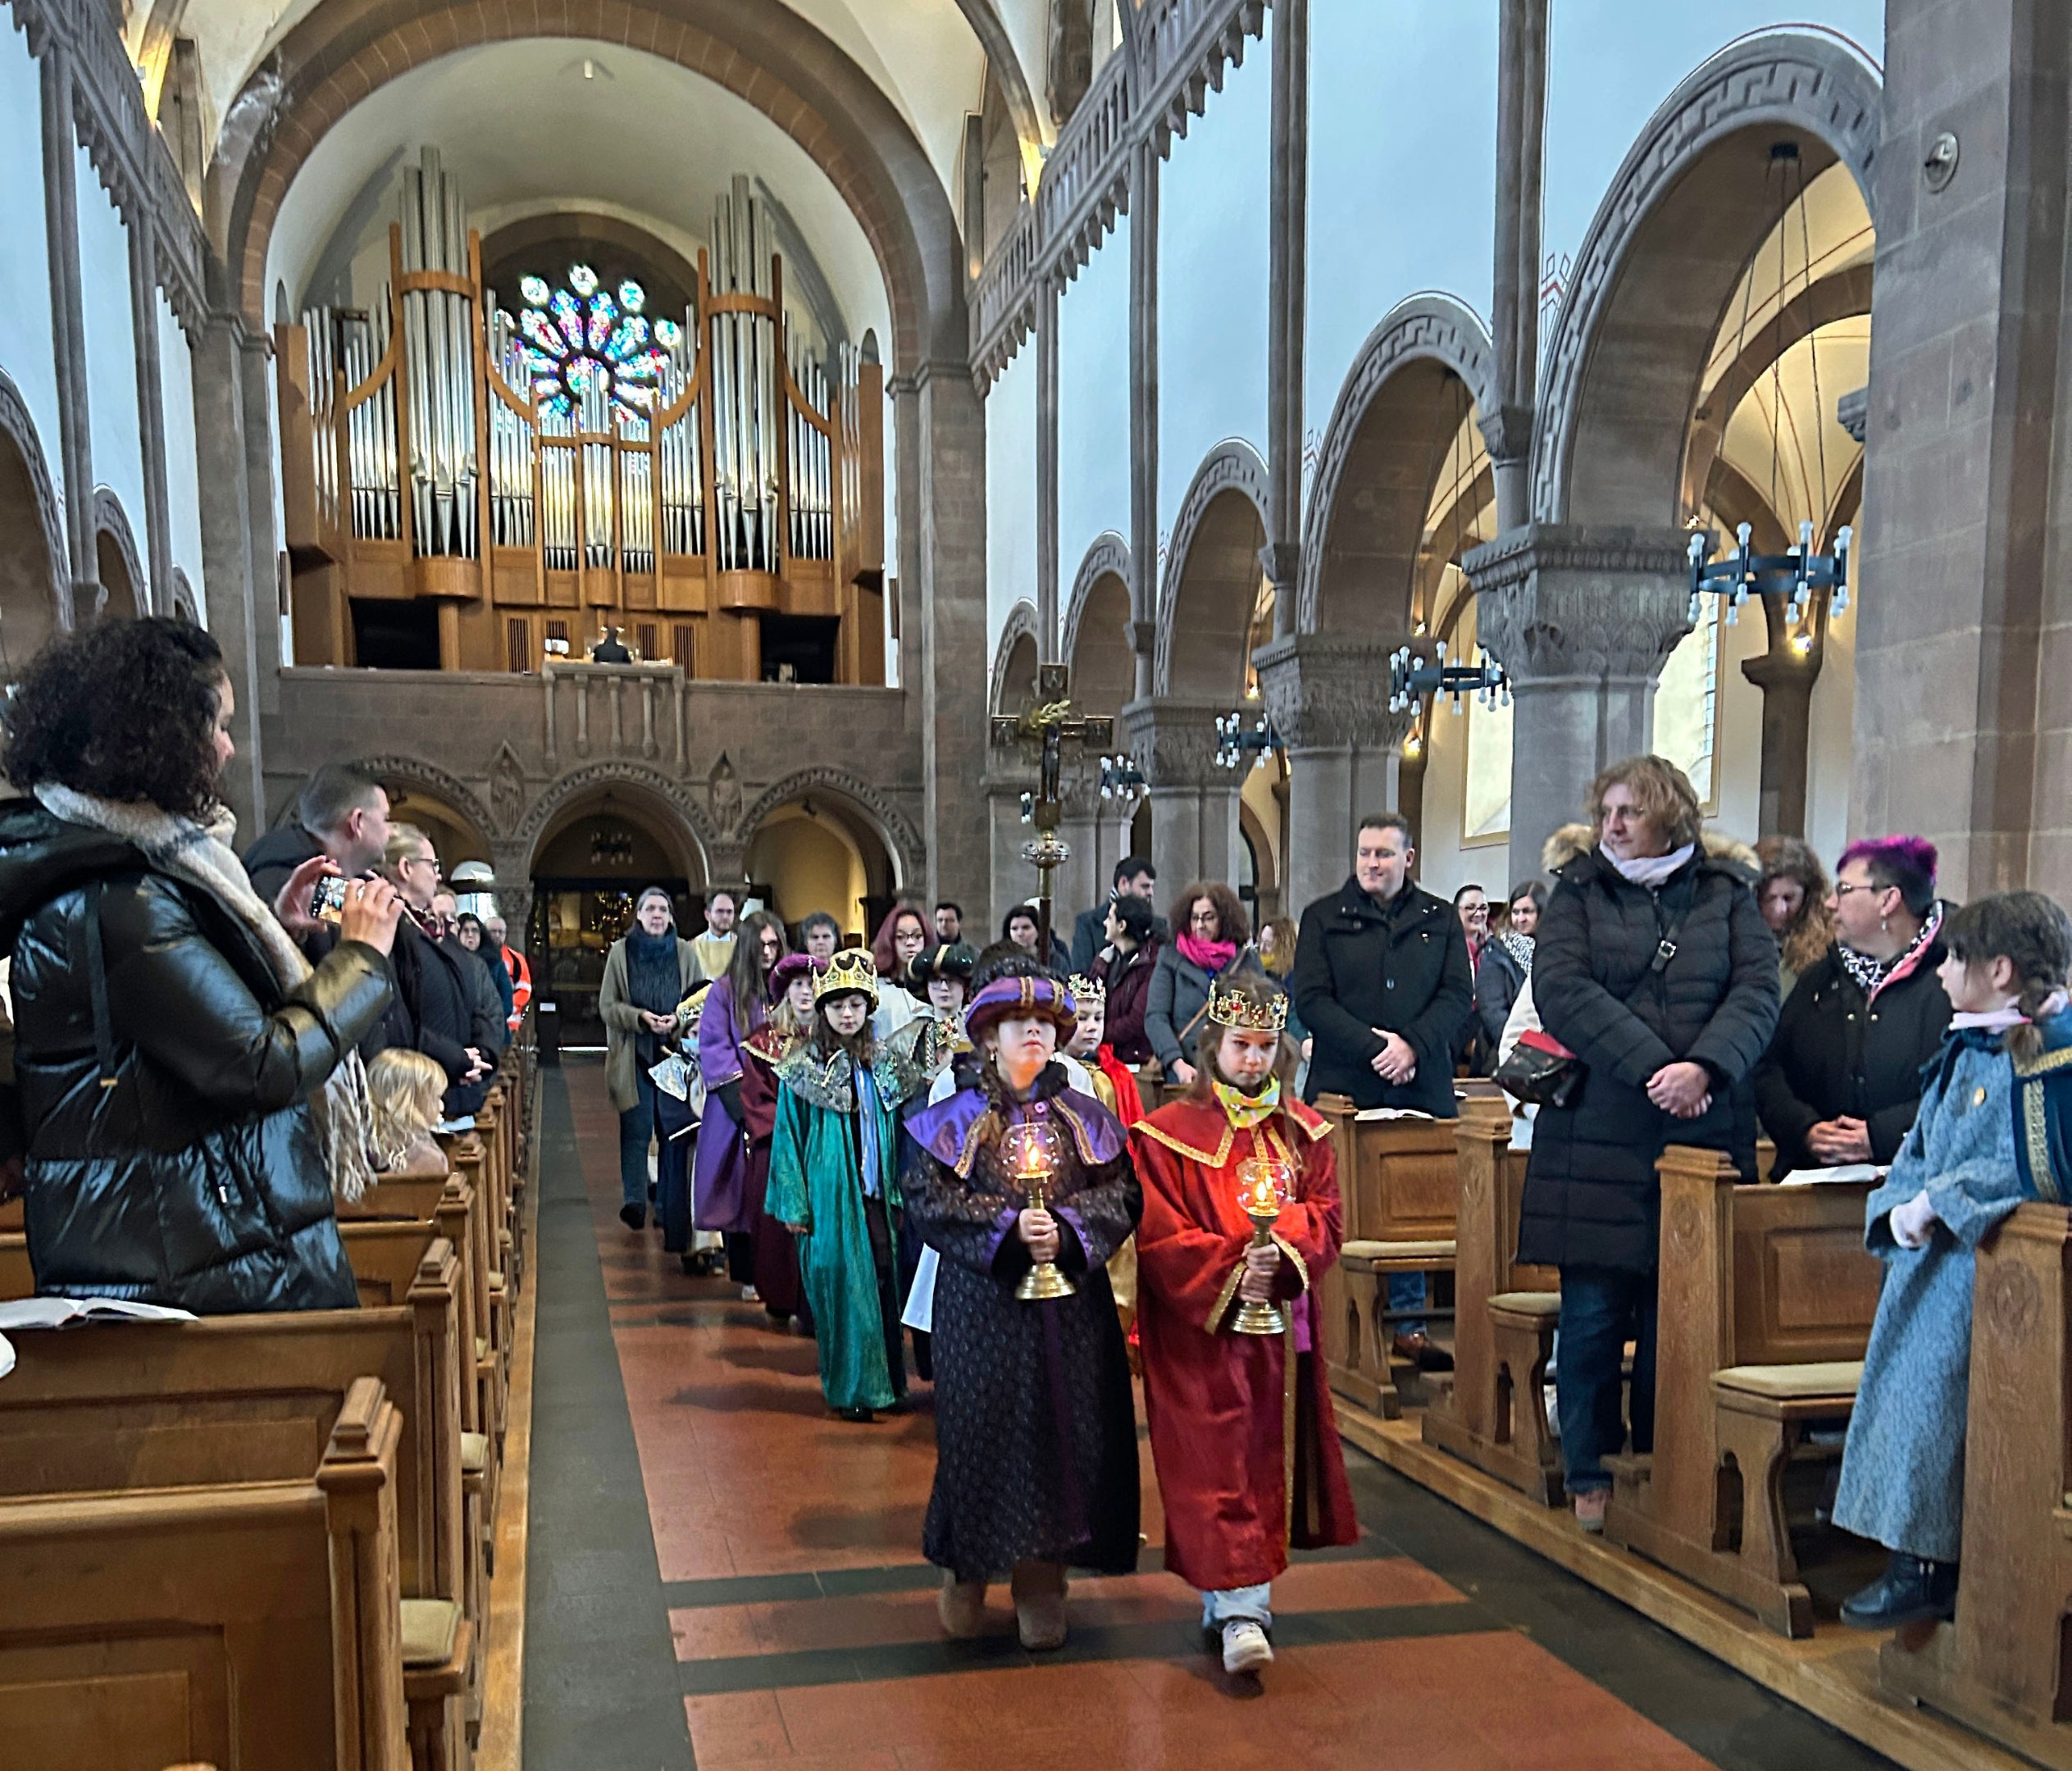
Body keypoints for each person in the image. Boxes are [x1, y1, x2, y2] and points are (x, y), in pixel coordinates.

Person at [0, 617, 401, 1312]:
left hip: (205, 1237)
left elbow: (186, 1030)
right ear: (157, 734)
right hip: (195, 1254)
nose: (228, 747)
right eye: (217, 724)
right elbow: (259, 1064)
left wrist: (270, 932)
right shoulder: (122, 899)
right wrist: (362, 958)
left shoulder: (140, 874)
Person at [1519, 758, 1778, 1533]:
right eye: (1606, 811)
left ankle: (1671, 1463)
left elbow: (1756, 994)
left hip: (1700, 1128)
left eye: (1629, 810)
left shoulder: (1726, 898)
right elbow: (1562, 991)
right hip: (1597, 1131)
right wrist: (1655, 1068)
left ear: (1669, 813)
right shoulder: (1575, 894)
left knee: (1681, 1312)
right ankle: (1590, 1466)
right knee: (1594, 1313)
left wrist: (1704, 1066)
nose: (1614, 825)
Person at [1833, 891, 2072, 1629]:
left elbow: (2036, 1166)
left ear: (1999, 970)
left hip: (1992, 1271)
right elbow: (1920, 1144)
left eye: (1955, 959)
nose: (1939, 974)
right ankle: (1910, 1552)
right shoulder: (1968, 1043)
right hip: (1928, 1268)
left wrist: (1941, 1200)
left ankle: (1927, 1566)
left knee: (1940, 1407)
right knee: (1910, 1401)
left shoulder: (2045, 1057)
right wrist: (1900, 1203)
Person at [904, 965, 1142, 1650]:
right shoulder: (955, 1117)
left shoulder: (1084, 1113)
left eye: (1043, 1024)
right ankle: (966, 1572)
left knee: (1061, 1438)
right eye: (1018, 1024)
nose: (1032, 1033)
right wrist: (1004, 1231)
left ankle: (1044, 1582)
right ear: (988, 1035)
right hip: (982, 1308)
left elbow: (1124, 1194)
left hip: (1068, 1307)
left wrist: (1066, 1226)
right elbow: (926, 1199)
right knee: (980, 1437)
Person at [1132, 974, 1359, 1677]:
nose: (1253, 1061)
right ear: (1210, 1049)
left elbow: (1325, 1213)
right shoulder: (1168, 1135)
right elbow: (1158, 1230)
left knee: (1263, 1450)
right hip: (1201, 1330)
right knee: (1215, 1459)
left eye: (1265, 1048)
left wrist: (1282, 1255)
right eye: (1240, 1046)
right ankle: (1236, 1606)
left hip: (1279, 1329)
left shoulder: (1303, 1133)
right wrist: (1233, 1266)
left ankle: (1239, 1600)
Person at [1291, 814, 1471, 1368]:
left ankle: (1408, 1326)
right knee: (1341, 1198)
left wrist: (1411, 1046)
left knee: (1408, 1202)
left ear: (1407, 859)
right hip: (1346, 1084)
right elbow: (1312, 1000)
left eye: (1384, 854)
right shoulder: (1323, 917)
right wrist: (1374, 1047)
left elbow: (1456, 996)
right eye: (1365, 853)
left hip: (1418, 1082)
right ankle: (1336, 1318)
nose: (1372, 863)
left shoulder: (1438, 918)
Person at [766, 950, 931, 1420]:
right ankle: (851, 1390)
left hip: (878, 1195)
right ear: (822, 1010)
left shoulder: (882, 1063)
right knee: (843, 1290)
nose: (847, 1014)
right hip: (830, 1198)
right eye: (837, 1005)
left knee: (882, 1285)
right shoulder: (803, 1068)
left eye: (856, 1005)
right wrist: (794, 1205)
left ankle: (885, 1384)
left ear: (868, 1008)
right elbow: (787, 1139)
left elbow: (901, 1127)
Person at [1756, 837, 1951, 1180]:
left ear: (1889, 900)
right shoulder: (1821, 977)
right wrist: (1806, 1129)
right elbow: (1769, 1068)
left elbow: (1971, 1090)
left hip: (1916, 1190)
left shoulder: (1955, 978)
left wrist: (1882, 1135)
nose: (1830, 903)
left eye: (1844, 890)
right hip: (1814, 1189)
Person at [694, 909, 788, 1286]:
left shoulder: (789, 989)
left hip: (782, 1103)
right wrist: (749, 1109)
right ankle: (746, 1273)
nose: (767, 952)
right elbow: (715, 1048)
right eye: (761, 944)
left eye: (773, 944)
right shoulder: (725, 990)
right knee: (737, 1192)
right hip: (737, 1108)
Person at [599, 886, 702, 1230]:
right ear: (638, 915)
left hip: (674, 1054)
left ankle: (666, 1203)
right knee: (637, 1127)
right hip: (635, 1054)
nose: (657, 915)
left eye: (663, 909)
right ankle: (634, 1201)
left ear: (671, 917)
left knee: (671, 1129)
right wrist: (639, 1017)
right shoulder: (620, 952)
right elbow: (608, 1006)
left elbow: (700, 1000)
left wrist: (678, 1018)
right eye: (650, 909)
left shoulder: (685, 953)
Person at [382, 826, 494, 1120]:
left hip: (456, 1085)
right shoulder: (390, 929)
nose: (438, 875)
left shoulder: (435, 935)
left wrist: (480, 1055)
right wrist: (457, 1059)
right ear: (406, 868)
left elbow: (474, 1003)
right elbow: (400, 1021)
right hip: (417, 1093)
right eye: (432, 866)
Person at [739, 954, 820, 1327]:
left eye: (812, 984)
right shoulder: (764, 1040)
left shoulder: (829, 1036)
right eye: (799, 984)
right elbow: (756, 1098)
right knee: (775, 1228)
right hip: (777, 1148)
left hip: (821, 1147)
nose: (806, 991)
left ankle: (814, 1302)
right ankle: (780, 1296)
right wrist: (790, 1132)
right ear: (786, 992)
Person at [1065, 974, 1145, 1347]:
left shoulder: (1117, 1075)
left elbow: (1129, 1127)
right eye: (1082, 1018)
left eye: (1098, 1017)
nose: (1091, 1027)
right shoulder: (1060, 1075)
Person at [1146, 881, 1273, 1088]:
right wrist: (1176, 1062)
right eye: (1194, 918)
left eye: (1208, 918)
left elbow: (1260, 1016)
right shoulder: (1170, 957)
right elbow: (1156, 1016)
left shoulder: (1246, 960)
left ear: (1224, 919)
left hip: (1235, 1074)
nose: (1200, 925)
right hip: (1185, 1071)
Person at [244, 761, 393, 915]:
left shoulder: (283, 853)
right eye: (385, 819)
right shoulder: (307, 889)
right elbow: (379, 924)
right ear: (357, 822)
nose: (390, 831)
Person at [1756, 835, 1835, 1000]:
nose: (1779, 910)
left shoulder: (1827, 943)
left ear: (1807, 896)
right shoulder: (1733, 934)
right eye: (1769, 898)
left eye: (1789, 898)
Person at [1474, 882, 1545, 1061]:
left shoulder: (1551, 951)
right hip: (1505, 1052)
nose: (1521, 919)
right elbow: (1492, 1009)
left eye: (1528, 911)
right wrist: (1519, 1050)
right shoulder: (1496, 952)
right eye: (1515, 912)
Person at [435, 890, 507, 1059]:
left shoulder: (480, 965)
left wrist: (482, 1052)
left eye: (450, 919)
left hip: (475, 1050)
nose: (469, 935)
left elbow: (495, 1008)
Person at [1095, 894, 1160, 1066]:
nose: (1105, 923)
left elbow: (1136, 1021)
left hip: (1135, 1059)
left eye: (1110, 918)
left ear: (1122, 925)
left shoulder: (1151, 964)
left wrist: (1096, 1033)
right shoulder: (1106, 958)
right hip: (1105, 1055)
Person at [1070, 855, 1163, 976]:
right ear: (1124, 884)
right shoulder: (1089, 923)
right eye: (1144, 886)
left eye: (1151, 887)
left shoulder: (1158, 926)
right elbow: (1079, 978)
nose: (1151, 893)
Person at [367, 1046, 450, 1175]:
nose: (442, 1107)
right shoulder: (427, 1160)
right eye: (436, 1098)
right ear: (411, 1101)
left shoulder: (357, 1144)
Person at [1255, 915, 1313, 1067]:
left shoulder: (1300, 977)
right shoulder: (1259, 975)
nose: (1262, 950)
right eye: (1260, 943)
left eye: (1268, 944)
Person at [870, 899, 932, 1034]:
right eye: (900, 937)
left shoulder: (937, 989)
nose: (910, 942)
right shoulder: (878, 992)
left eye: (917, 936)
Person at [456, 911, 516, 1025]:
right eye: (465, 930)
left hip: (492, 1030)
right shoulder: (451, 962)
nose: (470, 935)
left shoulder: (495, 963)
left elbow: (506, 1001)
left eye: (474, 930)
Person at [486, 915, 533, 1029]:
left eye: (501, 932)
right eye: (493, 931)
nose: (497, 935)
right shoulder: (474, 958)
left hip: (510, 1026)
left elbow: (524, 989)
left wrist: (505, 1007)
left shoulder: (516, 959)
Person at [1002, 902, 1069, 973]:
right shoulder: (1001, 962)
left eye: (1026, 928)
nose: (1020, 933)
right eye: (1014, 929)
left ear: (1038, 931)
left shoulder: (1056, 961)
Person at [691, 886, 740, 984]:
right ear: (707, 915)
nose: (725, 916)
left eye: (729, 912)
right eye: (720, 911)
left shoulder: (742, 946)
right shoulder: (692, 947)